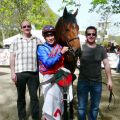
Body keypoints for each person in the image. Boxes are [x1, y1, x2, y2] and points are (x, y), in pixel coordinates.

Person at [77, 26, 113, 120]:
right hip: (83, 82)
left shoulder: (101, 49)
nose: (91, 36)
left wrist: (109, 80)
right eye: (89, 34)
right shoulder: (80, 48)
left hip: (97, 83)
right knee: (81, 107)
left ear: (96, 35)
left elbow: (106, 64)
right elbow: (71, 60)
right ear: (86, 35)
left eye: (93, 34)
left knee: (95, 107)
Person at [37, 25, 72, 120]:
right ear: (44, 37)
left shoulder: (60, 46)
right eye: (48, 36)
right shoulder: (41, 48)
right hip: (48, 78)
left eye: (52, 35)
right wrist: (60, 53)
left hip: (60, 78)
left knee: (59, 102)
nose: (50, 38)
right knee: (50, 101)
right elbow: (48, 63)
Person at [10, 20, 42, 120]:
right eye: (24, 27)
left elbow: (43, 54)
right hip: (20, 73)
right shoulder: (15, 41)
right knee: (21, 98)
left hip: (33, 73)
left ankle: (36, 117)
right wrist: (12, 72)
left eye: (28, 26)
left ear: (31, 27)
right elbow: (12, 57)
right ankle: (22, 117)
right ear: (21, 28)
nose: (26, 28)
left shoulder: (37, 40)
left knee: (34, 98)